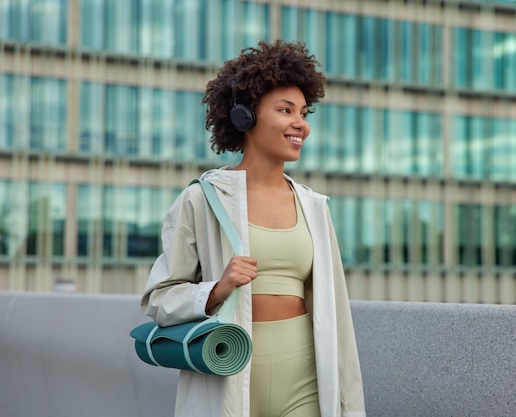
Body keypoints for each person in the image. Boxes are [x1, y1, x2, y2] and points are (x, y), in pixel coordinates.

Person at [141, 40, 366, 417]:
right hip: (228, 375)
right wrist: (216, 289)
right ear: (245, 117)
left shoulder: (314, 207)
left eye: (304, 113)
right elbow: (159, 298)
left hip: (305, 379)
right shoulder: (202, 199)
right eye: (285, 110)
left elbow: (337, 316)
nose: (301, 124)